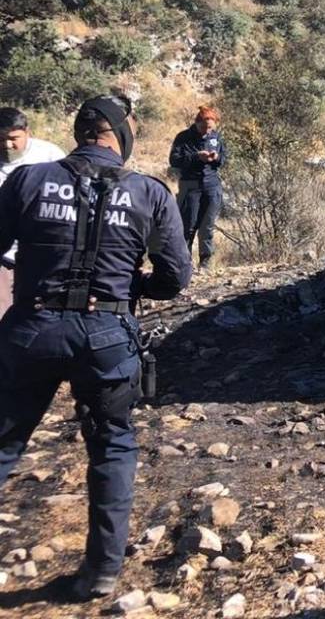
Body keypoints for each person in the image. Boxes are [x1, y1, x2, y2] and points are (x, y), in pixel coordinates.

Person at [0, 95, 191, 600]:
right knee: (111, 446)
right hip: (107, 334)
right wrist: (131, 288)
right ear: (119, 135)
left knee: (3, 442)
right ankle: (102, 570)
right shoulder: (149, 192)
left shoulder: (27, 180)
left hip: (32, 329)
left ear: (80, 131)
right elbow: (176, 278)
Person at [1, 108, 67, 318]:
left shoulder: (49, 156)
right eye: (0, 139)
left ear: (27, 132)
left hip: (43, 256)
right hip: (4, 256)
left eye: (13, 138)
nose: (7, 145)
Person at [169, 106, 226, 271]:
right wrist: (196, 157)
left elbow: (224, 158)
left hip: (211, 185)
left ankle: (205, 263)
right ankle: (185, 264)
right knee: (188, 226)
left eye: (210, 128)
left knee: (207, 226)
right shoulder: (183, 137)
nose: (206, 131)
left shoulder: (216, 137)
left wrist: (216, 158)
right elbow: (174, 160)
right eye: (203, 127)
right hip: (190, 186)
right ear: (197, 123)